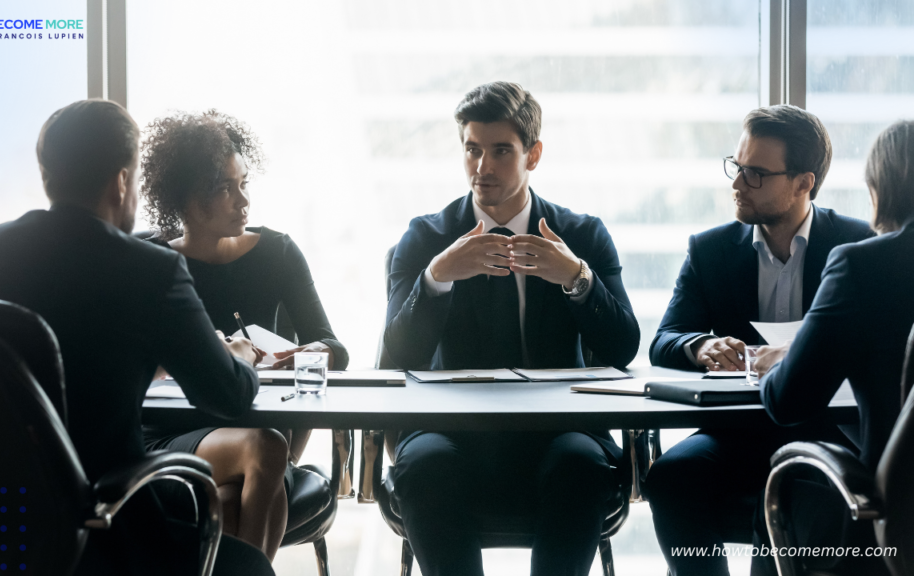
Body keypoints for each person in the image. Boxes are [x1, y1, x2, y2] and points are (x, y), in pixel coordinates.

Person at [0, 99, 274, 576]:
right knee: (249, 567)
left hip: (0, 520)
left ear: (49, 174)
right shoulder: (152, 271)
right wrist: (242, 357)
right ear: (122, 181)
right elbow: (226, 395)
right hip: (111, 522)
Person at [383, 81, 640, 576]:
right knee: (424, 464)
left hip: (558, 432)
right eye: (472, 150)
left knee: (582, 465)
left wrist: (577, 278)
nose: (483, 168)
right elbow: (397, 352)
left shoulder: (582, 234)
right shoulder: (425, 237)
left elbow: (622, 347)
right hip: (451, 432)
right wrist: (436, 278)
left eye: (501, 151)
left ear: (534, 154)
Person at [643, 105, 874, 576]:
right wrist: (698, 346)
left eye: (755, 174)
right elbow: (664, 339)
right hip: (736, 433)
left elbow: (880, 343)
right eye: (737, 166)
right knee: (669, 476)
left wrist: (804, 352)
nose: (737, 184)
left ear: (803, 183)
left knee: (801, 490)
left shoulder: (856, 246)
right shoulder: (709, 250)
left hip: (827, 432)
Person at [137, 109, 350, 559]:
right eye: (224, 189)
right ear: (187, 200)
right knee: (262, 455)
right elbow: (127, 363)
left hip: (258, 430)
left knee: (236, 495)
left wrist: (311, 353)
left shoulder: (277, 253)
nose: (243, 201)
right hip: (173, 434)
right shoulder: (150, 262)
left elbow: (335, 347)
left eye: (244, 183)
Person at [749, 119, 914, 575]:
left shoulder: (864, 266)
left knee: (780, 496)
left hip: (896, 510)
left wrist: (783, 358)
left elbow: (788, 400)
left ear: (881, 188)